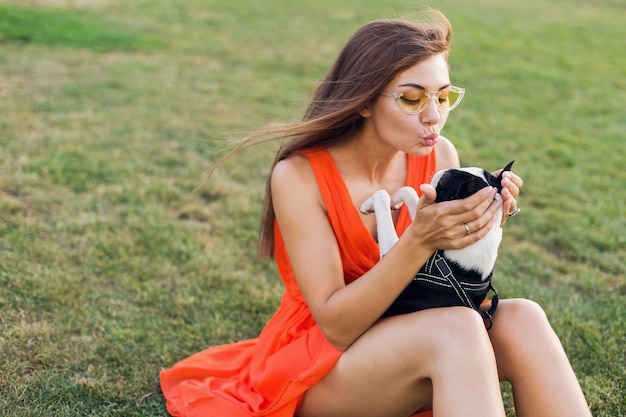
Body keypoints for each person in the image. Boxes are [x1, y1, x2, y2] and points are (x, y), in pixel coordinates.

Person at [160, 10, 592, 417]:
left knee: (524, 318)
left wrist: (486, 217)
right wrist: (419, 239)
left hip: (407, 335)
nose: (434, 116)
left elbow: (447, 280)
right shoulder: (299, 176)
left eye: (443, 97)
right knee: (457, 329)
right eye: (411, 98)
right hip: (320, 363)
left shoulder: (440, 155)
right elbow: (336, 326)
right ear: (364, 101)